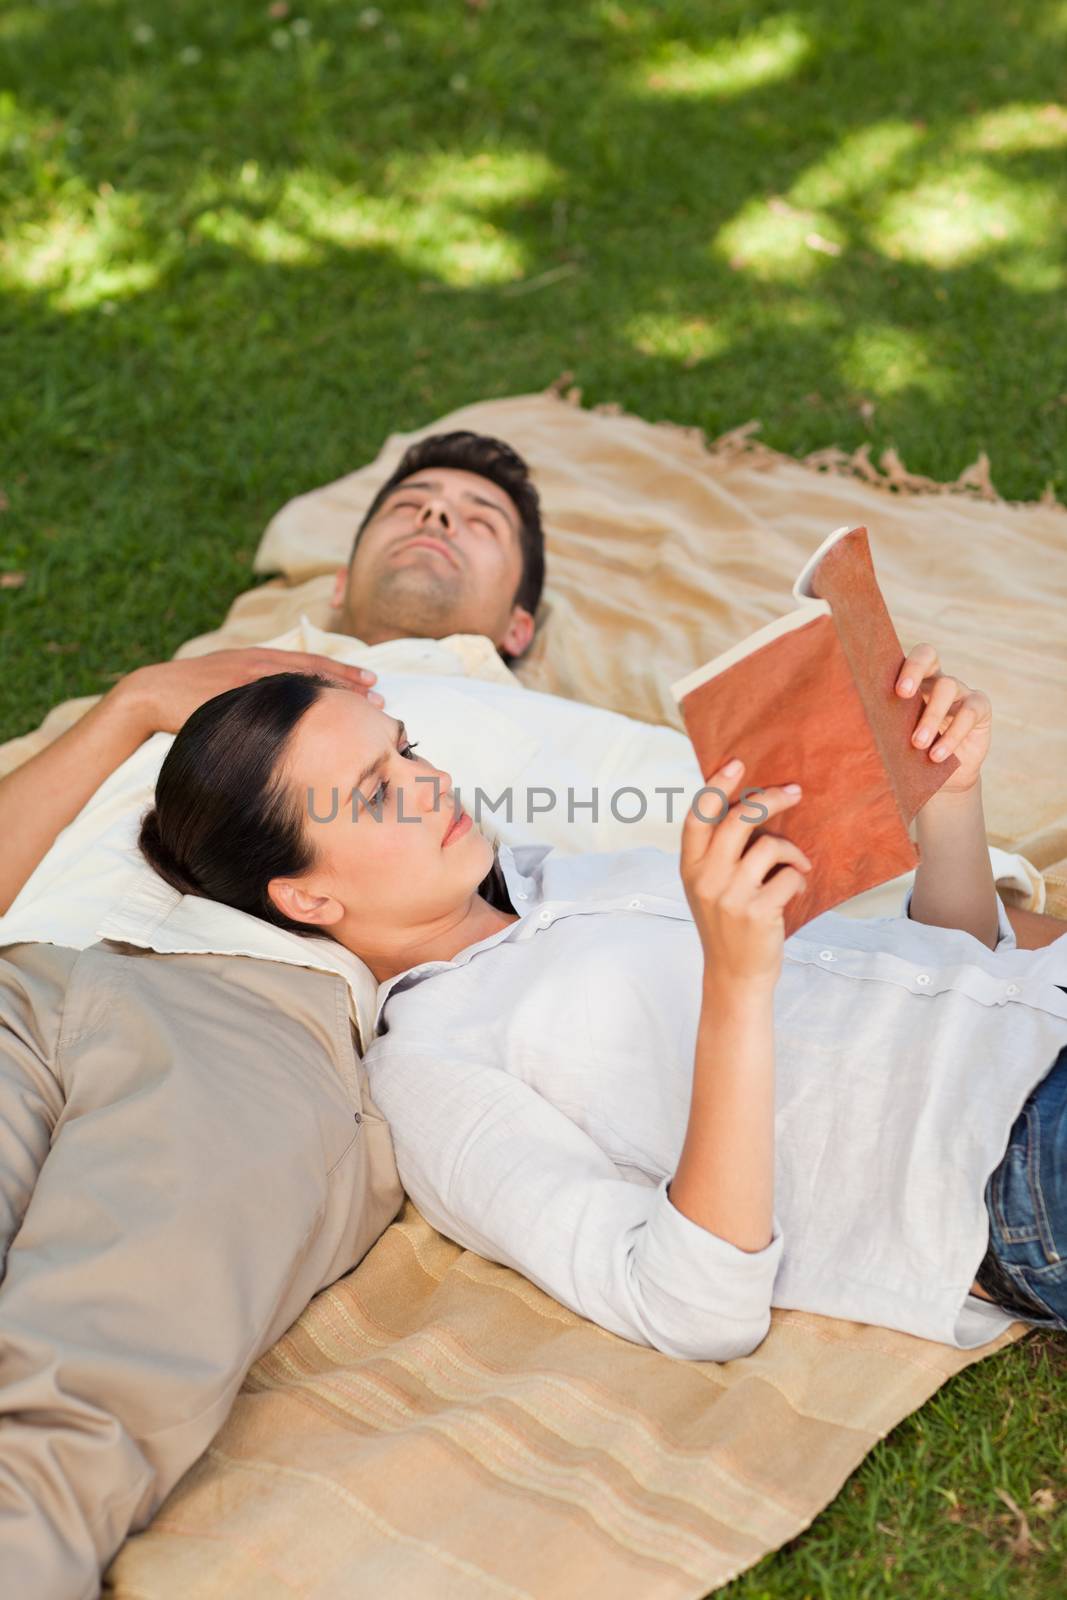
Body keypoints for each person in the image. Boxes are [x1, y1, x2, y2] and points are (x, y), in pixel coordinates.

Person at [137, 643, 1067, 1359]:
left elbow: (943, 966)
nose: (429, 782)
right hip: (1002, 1162)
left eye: (407, 751)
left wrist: (947, 799)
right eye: (376, 794)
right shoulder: (428, 1071)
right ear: (305, 898)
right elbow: (690, 1305)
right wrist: (736, 988)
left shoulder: (576, 878)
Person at [0, 430, 545, 918]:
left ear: (519, 628)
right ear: (341, 582)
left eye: (480, 520)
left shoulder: (538, 732)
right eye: (409, 506)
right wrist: (135, 701)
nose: (436, 517)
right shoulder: (207, 679)